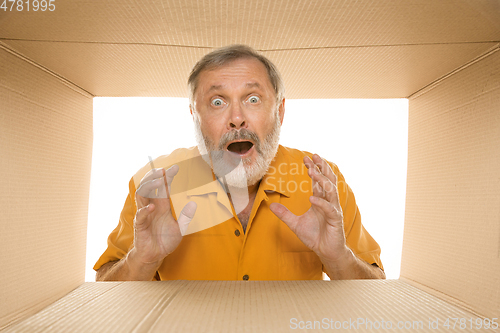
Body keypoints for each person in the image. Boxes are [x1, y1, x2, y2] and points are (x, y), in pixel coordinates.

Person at [94, 44, 385, 281]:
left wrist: (338, 258)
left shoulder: (322, 182)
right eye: (217, 102)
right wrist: (142, 260)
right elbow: (103, 291)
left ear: (280, 111)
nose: (236, 118)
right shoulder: (154, 187)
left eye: (253, 99)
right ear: (194, 116)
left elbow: (377, 288)